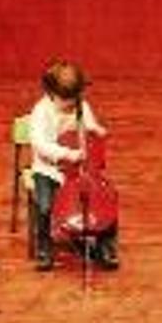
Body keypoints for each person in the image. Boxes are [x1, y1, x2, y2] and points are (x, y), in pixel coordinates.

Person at [28, 60, 119, 271]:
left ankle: (105, 245)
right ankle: (44, 246)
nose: (70, 104)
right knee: (44, 206)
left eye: (74, 98)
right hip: (49, 170)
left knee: (106, 197)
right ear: (50, 93)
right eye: (65, 100)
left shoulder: (81, 106)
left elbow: (88, 126)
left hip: (80, 171)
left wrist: (96, 130)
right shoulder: (41, 112)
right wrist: (67, 154)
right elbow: (40, 145)